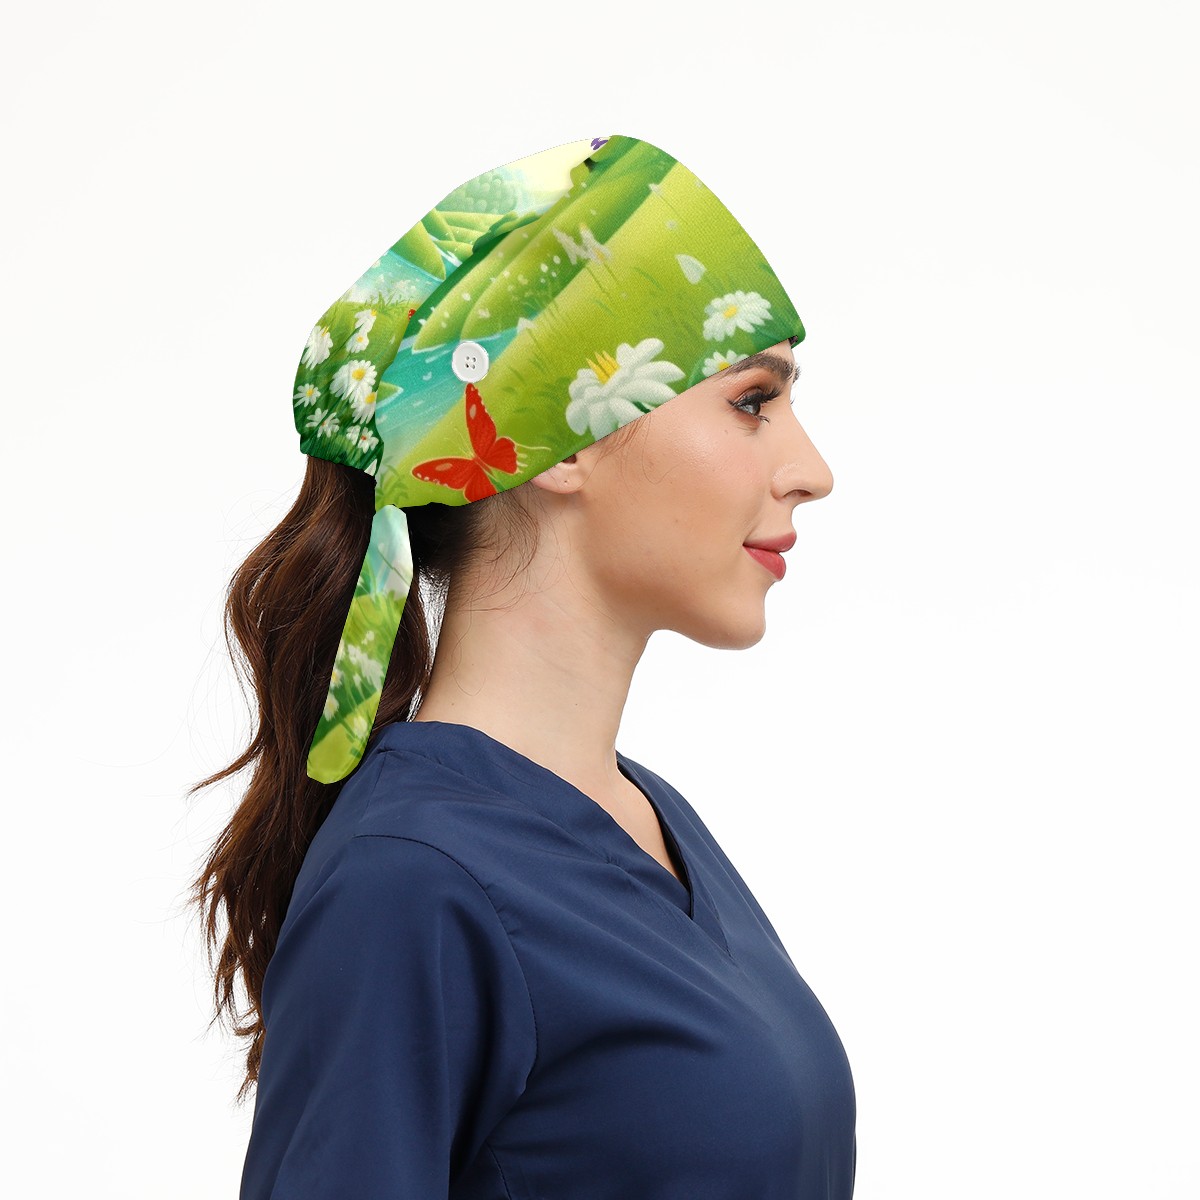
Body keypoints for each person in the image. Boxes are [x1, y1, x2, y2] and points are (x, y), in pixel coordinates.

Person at [188, 133, 857, 1198]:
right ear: (562, 437)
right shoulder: (412, 879)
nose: (810, 469)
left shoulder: (647, 819)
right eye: (751, 401)